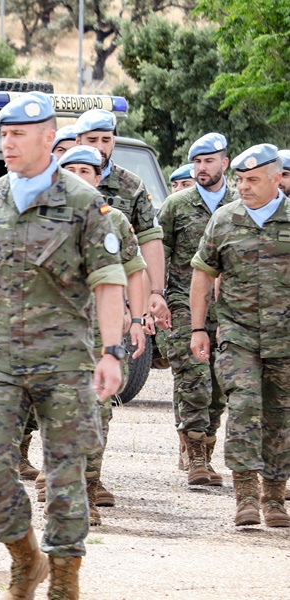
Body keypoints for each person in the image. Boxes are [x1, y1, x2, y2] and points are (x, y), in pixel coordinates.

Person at [0, 92, 127, 597]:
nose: (8, 143)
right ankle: (25, 555)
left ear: (50, 137)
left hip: (64, 359)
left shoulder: (84, 203)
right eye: (3, 135)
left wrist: (112, 351)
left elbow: (109, 280)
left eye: (19, 134)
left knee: (66, 471)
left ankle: (64, 579)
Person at [191, 143, 290, 528]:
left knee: (280, 416)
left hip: (285, 339)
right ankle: (246, 496)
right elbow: (202, 275)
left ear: (277, 179)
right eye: (240, 180)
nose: (244, 187)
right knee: (245, 406)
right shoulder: (224, 219)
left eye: (252, 180)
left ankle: (275, 496)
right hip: (238, 335)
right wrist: (199, 328)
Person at [59, 145, 149, 524]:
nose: (80, 175)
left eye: (88, 170)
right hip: (55, 332)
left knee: (96, 413)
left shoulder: (114, 221)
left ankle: (88, 492)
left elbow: (134, 271)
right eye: (71, 169)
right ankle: (59, 485)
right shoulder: (41, 217)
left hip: (100, 332)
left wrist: (137, 320)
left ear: (99, 177)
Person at [159, 133, 236, 488]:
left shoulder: (239, 203)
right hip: (182, 301)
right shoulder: (177, 205)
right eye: (197, 162)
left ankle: (205, 443)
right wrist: (154, 297)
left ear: (225, 162)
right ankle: (198, 458)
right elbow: (158, 254)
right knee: (194, 378)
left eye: (208, 161)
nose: (201, 168)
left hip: (231, 307)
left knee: (220, 384)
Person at [73, 109, 167, 331]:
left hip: (118, 293)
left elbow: (149, 239)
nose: (100, 146)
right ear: (78, 141)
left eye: (106, 139)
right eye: (92, 139)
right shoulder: (59, 180)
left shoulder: (132, 186)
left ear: (114, 140)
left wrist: (155, 292)